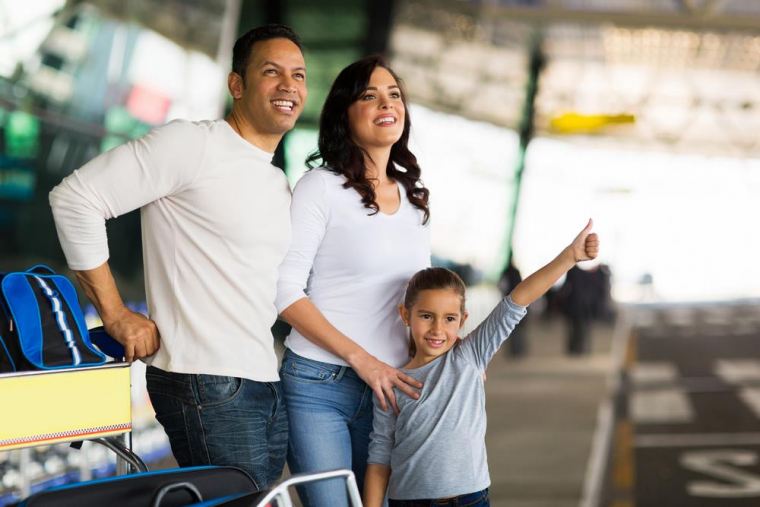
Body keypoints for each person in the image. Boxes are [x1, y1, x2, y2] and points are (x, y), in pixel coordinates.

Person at [49, 24, 307, 489]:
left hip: (262, 378)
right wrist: (114, 314)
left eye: (299, 75)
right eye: (272, 71)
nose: (289, 85)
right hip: (204, 379)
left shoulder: (275, 182)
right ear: (237, 85)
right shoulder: (194, 144)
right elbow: (76, 199)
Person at [274, 55, 430, 505]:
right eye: (370, 95)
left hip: (393, 387)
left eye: (394, 94)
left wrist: (451, 346)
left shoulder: (415, 199)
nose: (388, 103)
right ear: (345, 112)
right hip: (319, 385)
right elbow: (284, 291)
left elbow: (420, 299)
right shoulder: (319, 187)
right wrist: (361, 360)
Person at [364, 220, 600, 506]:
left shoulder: (470, 355)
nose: (438, 328)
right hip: (408, 502)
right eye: (426, 316)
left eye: (449, 319)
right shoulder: (392, 381)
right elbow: (379, 456)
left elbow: (517, 301)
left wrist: (570, 257)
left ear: (462, 321)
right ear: (405, 315)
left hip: (470, 500)